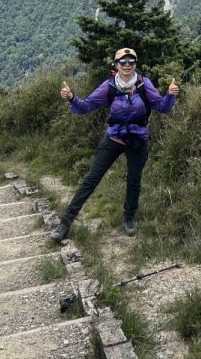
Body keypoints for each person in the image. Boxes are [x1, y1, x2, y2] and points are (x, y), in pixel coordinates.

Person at [51, 47, 179, 240]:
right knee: (91, 179)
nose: (127, 65)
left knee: (133, 180)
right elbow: (85, 107)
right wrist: (71, 98)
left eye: (131, 61)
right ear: (116, 64)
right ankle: (65, 223)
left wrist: (170, 95)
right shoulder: (109, 86)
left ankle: (128, 218)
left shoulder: (145, 85)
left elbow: (162, 107)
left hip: (137, 140)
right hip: (114, 138)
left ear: (136, 64)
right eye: (123, 62)